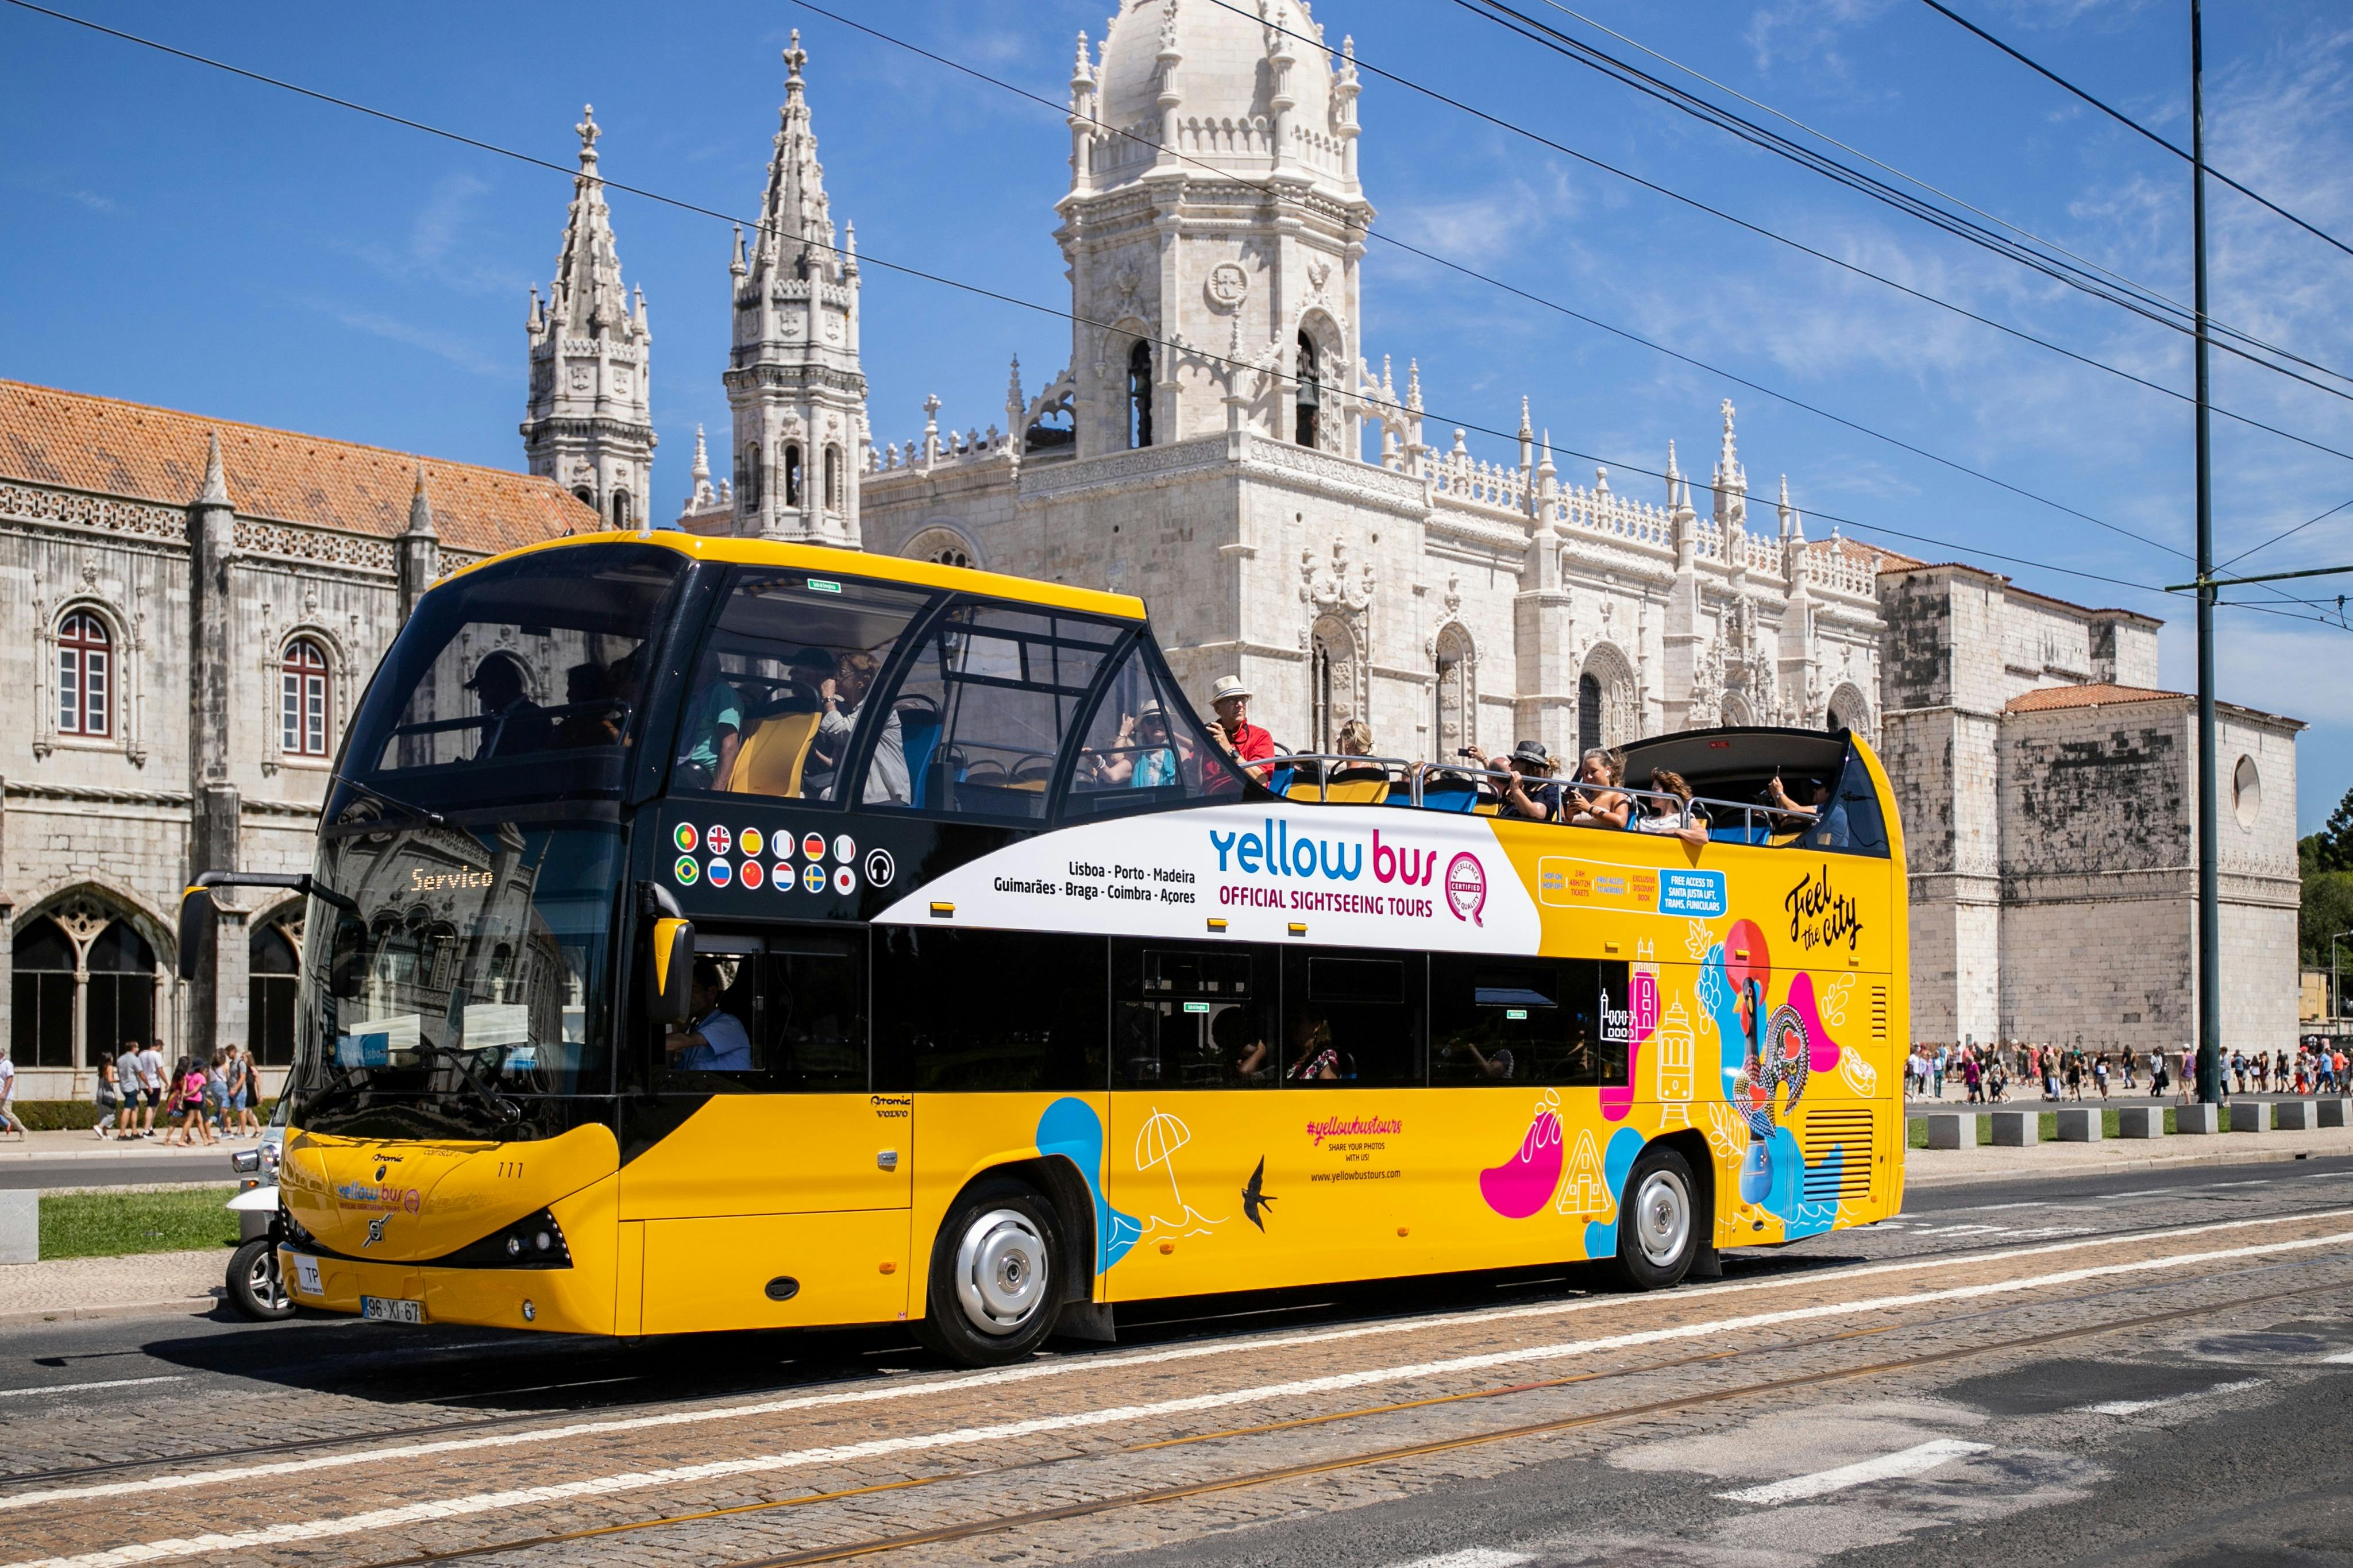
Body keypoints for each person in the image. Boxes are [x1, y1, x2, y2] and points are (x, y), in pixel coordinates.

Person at [672, 650, 745, 792]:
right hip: (679, 766)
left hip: (698, 773)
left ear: (709, 669)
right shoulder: (690, 697)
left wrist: (716, 791)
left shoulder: (722, 693)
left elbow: (730, 746)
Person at [664, 961, 754, 1072]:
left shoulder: (729, 1025)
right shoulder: (697, 1029)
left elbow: (685, 1041)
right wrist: (678, 1031)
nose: (684, 999)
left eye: (692, 990)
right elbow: (669, 1070)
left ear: (712, 992)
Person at [1081, 700, 1183, 791]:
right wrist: (1097, 761)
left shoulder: (1180, 753)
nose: (1157, 723)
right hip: (1146, 805)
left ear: (1168, 724)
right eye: (1151, 720)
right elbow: (1113, 776)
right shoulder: (1136, 758)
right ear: (1143, 727)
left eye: (1162, 719)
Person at [465, 653, 553, 759]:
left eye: (483, 689)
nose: (480, 696)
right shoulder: (494, 720)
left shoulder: (534, 717)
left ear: (498, 686)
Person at [1467, 741, 1571, 824]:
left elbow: (1537, 815)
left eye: (1514, 761)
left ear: (1527, 765)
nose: (1510, 765)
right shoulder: (1521, 786)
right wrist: (1483, 759)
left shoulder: (1549, 790)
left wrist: (1516, 790)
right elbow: (1495, 778)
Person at [1204, 675, 1276, 782]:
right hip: (1210, 793)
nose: (1240, 704)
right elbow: (1197, 781)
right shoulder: (1208, 737)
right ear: (1218, 708)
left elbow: (1262, 780)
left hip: (1245, 793)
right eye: (1232, 700)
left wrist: (1229, 751)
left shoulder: (1260, 736)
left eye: (1243, 699)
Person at [1765, 770, 1849, 848]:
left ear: (1830, 791)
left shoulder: (1834, 811)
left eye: (1819, 788)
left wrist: (1780, 793)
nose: (1814, 790)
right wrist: (1776, 798)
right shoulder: (1822, 816)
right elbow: (1786, 823)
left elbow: (1794, 810)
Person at [1631, 769, 1710, 847]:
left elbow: (1703, 837)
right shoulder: (1644, 820)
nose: (1651, 794)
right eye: (1651, 790)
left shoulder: (1683, 817)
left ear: (1669, 792)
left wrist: (1675, 831)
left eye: (1656, 790)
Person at [552, 662, 620, 748]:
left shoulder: (608, 734)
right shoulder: (567, 728)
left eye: (572, 688)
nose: (568, 694)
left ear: (586, 692)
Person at [134, 1039, 165, 1138]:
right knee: (152, 1106)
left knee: (154, 1105)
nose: (161, 1050)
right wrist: (167, 1082)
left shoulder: (142, 1054)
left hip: (143, 1083)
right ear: (159, 1046)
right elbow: (160, 1070)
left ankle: (150, 1128)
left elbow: (138, 1070)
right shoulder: (157, 1055)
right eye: (161, 1047)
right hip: (153, 1083)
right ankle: (146, 1130)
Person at [0, 1048, 22, 1140]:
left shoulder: (7, 1064)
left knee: (8, 1114)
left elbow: (10, 1078)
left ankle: (22, 1129)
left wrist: (4, 1093)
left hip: (5, 1095)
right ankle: (7, 1124)